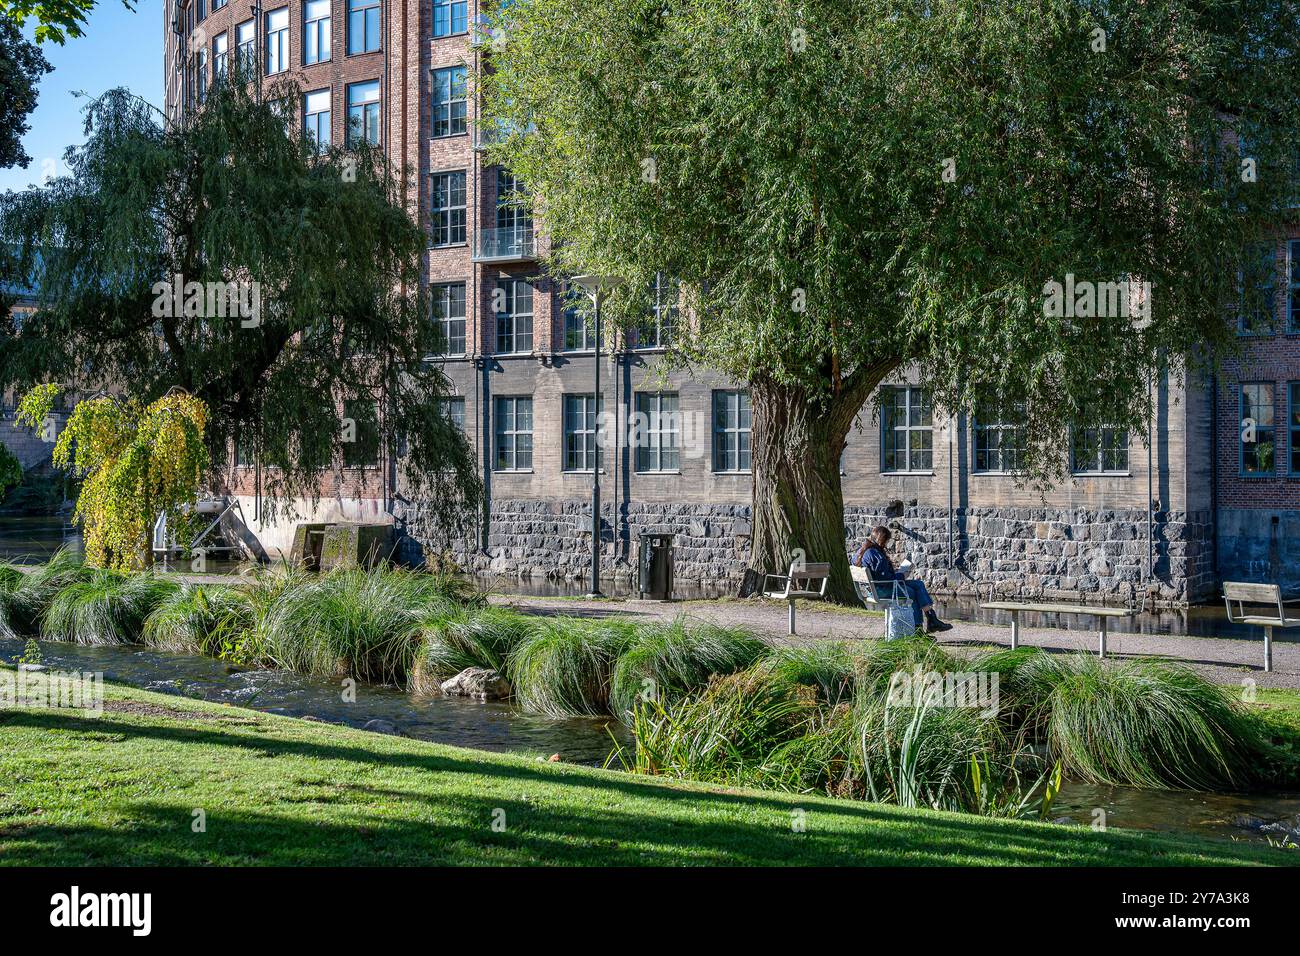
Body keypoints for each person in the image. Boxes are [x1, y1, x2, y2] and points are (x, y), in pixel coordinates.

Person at [853, 525, 952, 633]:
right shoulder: (876, 555)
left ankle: (931, 619)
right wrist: (902, 575)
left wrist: (896, 573)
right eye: (886, 541)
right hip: (881, 590)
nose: (886, 544)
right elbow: (886, 579)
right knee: (912, 593)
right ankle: (918, 630)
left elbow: (880, 573)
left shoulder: (862, 551)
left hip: (872, 588)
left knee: (918, 584)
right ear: (882, 540)